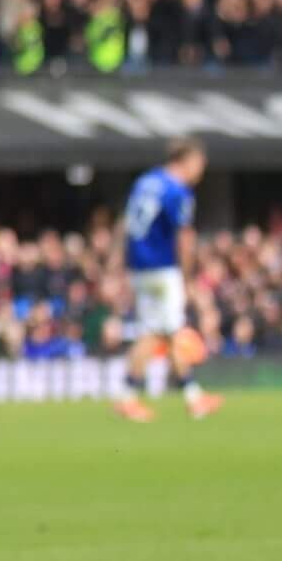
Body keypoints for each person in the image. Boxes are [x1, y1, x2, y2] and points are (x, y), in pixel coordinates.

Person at [113, 138, 220, 422]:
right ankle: (127, 395)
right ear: (186, 160)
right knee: (156, 332)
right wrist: (186, 277)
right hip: (162, 268)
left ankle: (193, 396)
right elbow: (184, 237)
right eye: (199, 164)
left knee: (170, 330)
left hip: (139, 266)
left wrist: (120, 262)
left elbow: (125, 223)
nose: (201, 171)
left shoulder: (145, 182)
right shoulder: (178, 191)